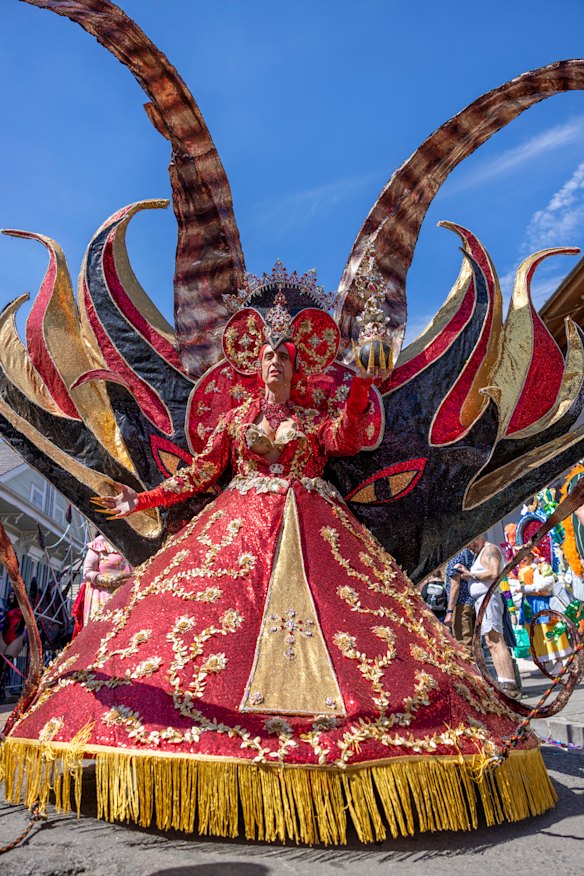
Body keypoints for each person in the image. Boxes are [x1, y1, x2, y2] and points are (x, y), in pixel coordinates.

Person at [3, 284, 555, 843]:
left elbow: (348, 434)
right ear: (253, 365)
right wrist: (138, 501)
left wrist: (362, 382)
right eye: (267, 354)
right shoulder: (236, 423)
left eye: (283, 356)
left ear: (296, 368)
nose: (273, 361)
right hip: (234, 533)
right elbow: (197, 476)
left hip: (319, 533)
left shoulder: (315, 421)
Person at [455, 535, 520, 697]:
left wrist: (472, 575)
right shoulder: (480, 553)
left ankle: (509, 683)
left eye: (468, 544)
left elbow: (493, 572)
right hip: (482, 601)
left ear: (476, 538)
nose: (468, 548)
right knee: (490, 641)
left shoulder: (490, 550)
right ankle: (504, 680)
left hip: (489, 598)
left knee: (496, 639)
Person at [71, 535, 133, 638]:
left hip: (127, 596)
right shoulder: (100, 543)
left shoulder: (131, 542)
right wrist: (107, 581)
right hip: (103, 597)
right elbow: (87, 572)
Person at [444, 546, 475, 653]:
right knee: (471, 642)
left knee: (463, 644)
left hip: (460, 603)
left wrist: (449, 611)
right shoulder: (468, 554)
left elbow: (455, 586)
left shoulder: (456, 557)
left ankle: (469, 669)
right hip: (471, 602)